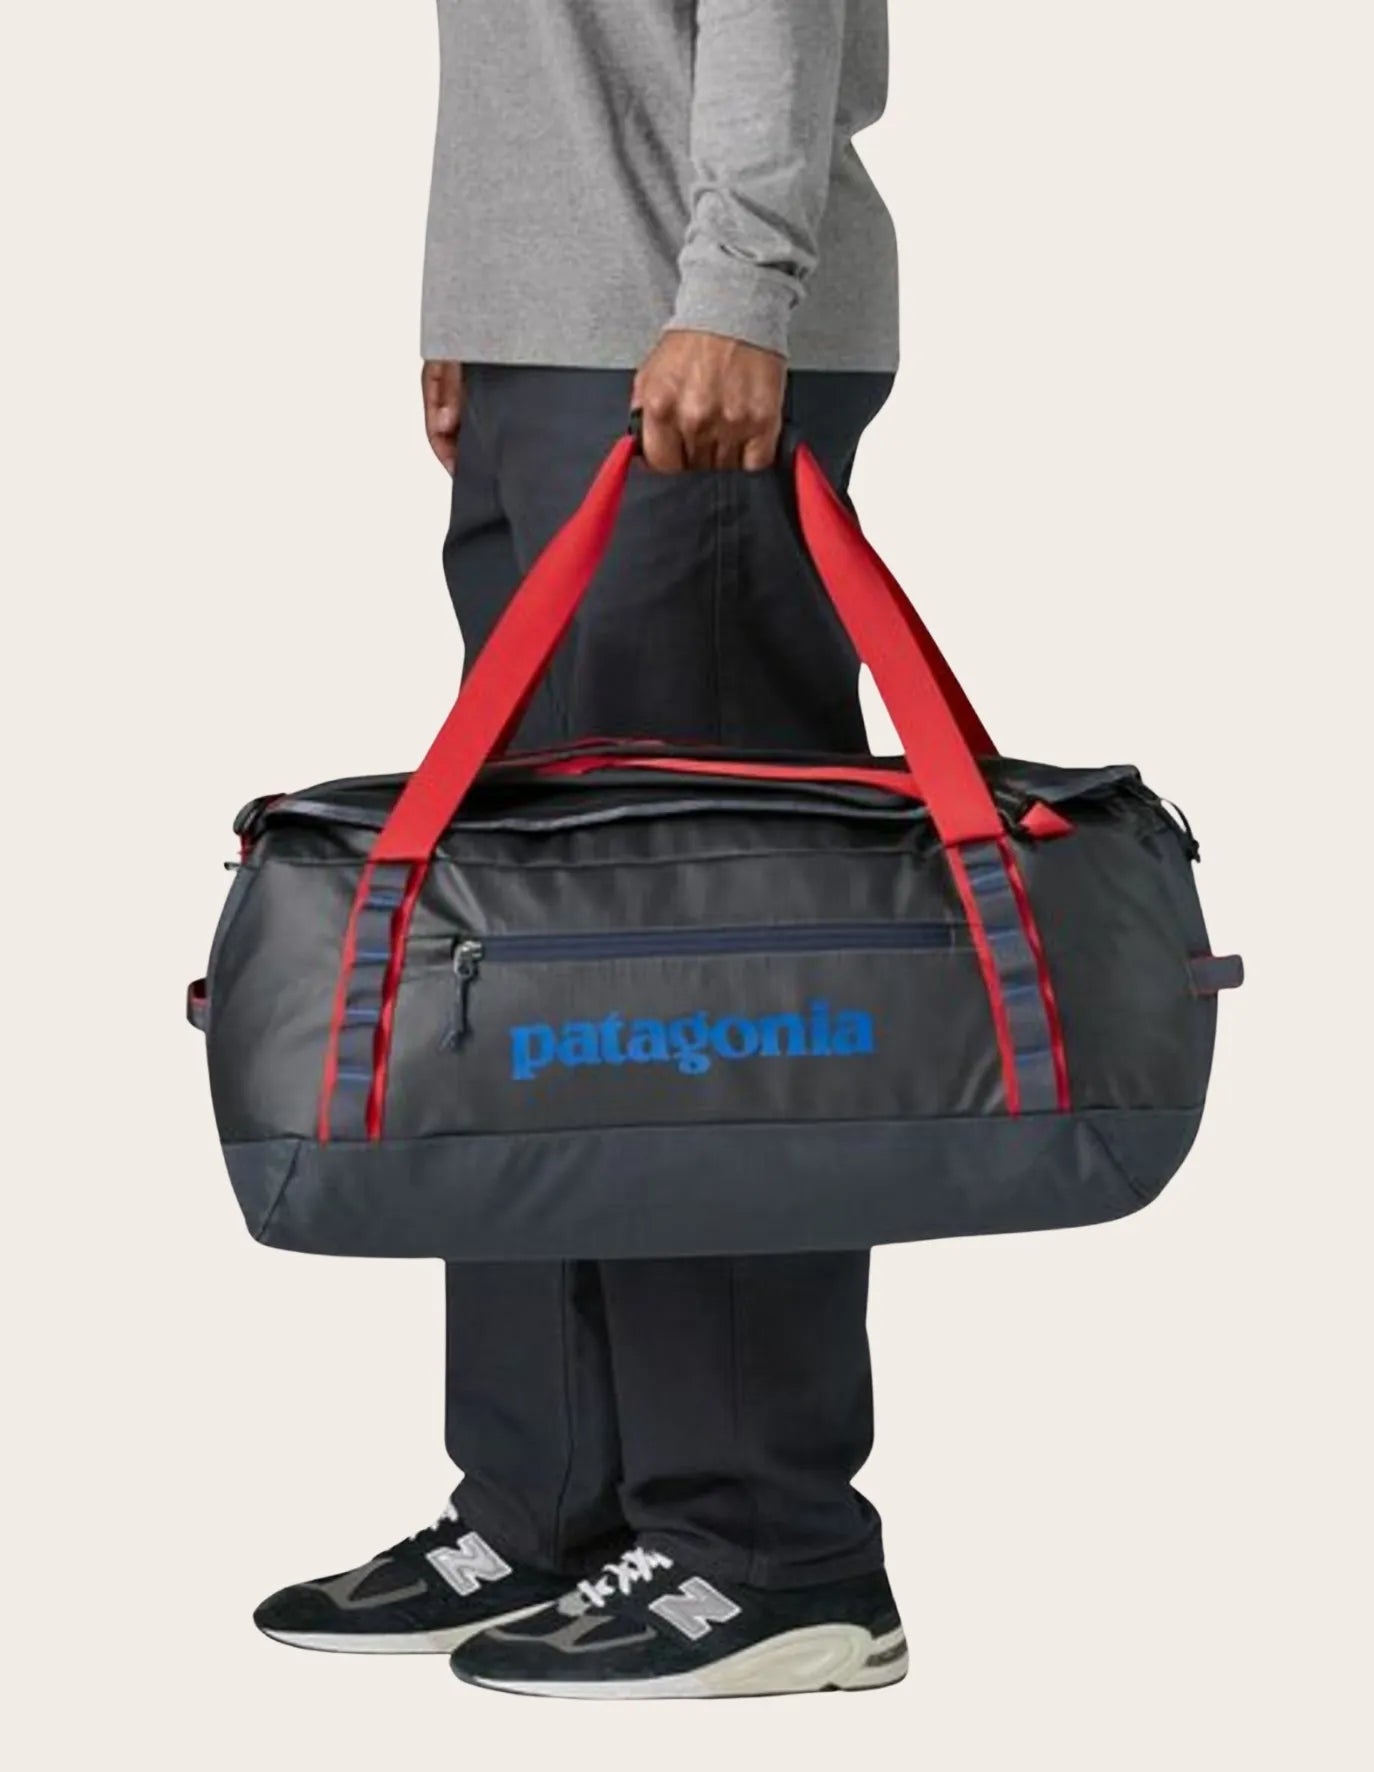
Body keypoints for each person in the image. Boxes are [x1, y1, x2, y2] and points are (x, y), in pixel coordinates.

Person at [254, 1, 904, 1699]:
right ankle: (545, 1507)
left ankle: (771, 1552)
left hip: (687, 334)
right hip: (550, 345)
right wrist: (469, 307)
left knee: (700, 968)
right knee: (536, 964)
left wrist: (737, 288)